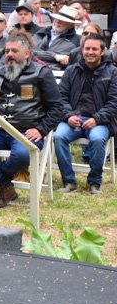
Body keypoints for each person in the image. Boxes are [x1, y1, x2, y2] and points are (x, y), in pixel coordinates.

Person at [0, 32, 64, 208]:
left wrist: (41, 129)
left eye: (14, 51)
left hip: (26, 131)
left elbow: (57, 107)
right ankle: (4, 184)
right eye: (7, 51)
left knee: (22, 155)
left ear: (27, 53)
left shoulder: (42, 73)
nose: (9, 54)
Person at [54, 35, 117, 195]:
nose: (90, 52)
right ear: (82, 50)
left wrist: (96, 119)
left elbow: (114, 103)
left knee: (97, 139)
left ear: (102, 51)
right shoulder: (71, 70)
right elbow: (60, 98)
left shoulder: (113, 72)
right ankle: (69, 181)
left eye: (94, 49)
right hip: (72, 119)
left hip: (100, 121)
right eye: (87, 48)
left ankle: (94, 182)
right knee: (59, 136)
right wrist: (68, 116)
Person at [32, 4, 81, 70]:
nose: (58, 22)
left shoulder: (74, 41)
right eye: (57, 18)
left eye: (63, 20)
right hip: (32, 70)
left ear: (71, 25)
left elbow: (34, 54)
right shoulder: (41, 33)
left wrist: (40, 55)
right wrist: (54, 56)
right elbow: (29, 52)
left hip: (53, 72)